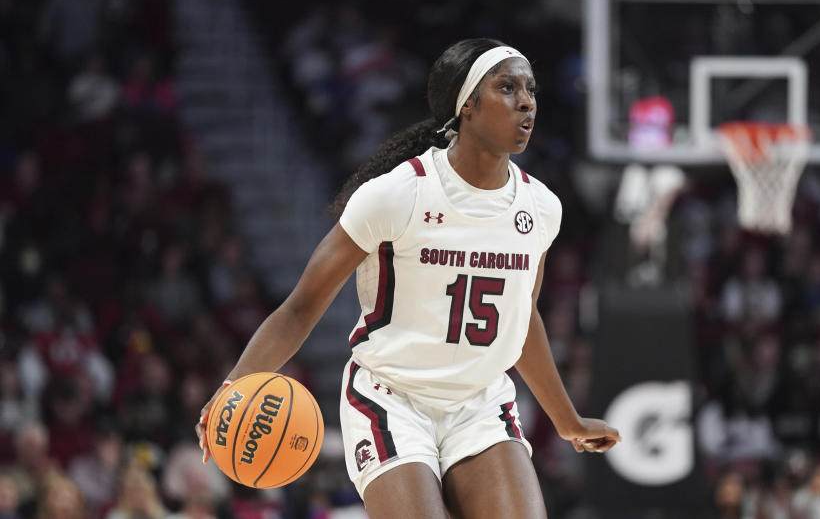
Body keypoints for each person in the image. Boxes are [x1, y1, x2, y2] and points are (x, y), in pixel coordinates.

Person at [194, 38, 620, 518]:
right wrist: (233, 387)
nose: (527, 101)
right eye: (507, 87)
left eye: (530, 89)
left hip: (479, 402)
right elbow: (300, 307)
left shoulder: (540, 207)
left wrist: (567, 421)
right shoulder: (398, 194)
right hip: (390, 398)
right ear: (468, 107)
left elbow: (521, 324)